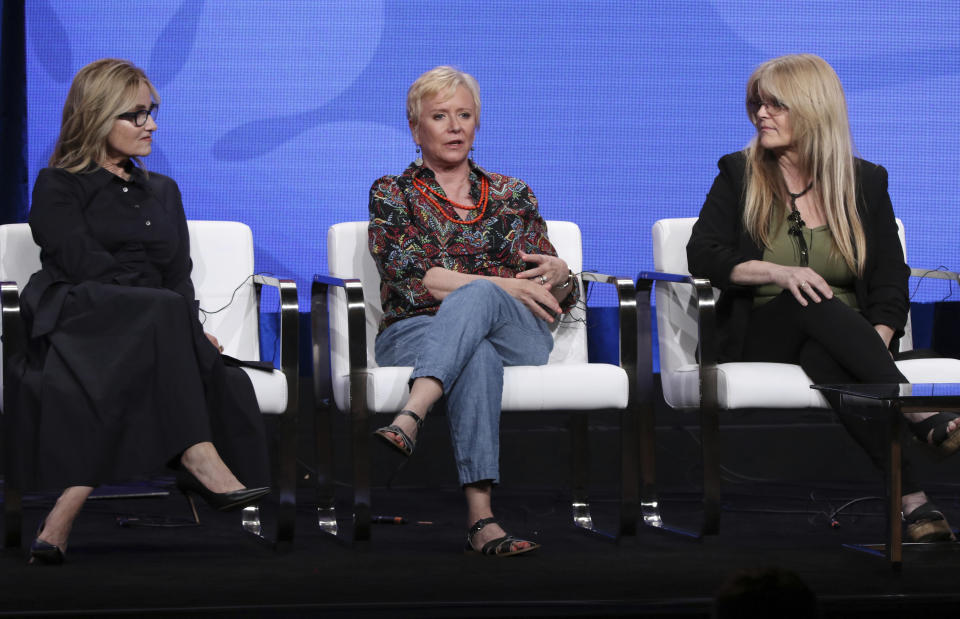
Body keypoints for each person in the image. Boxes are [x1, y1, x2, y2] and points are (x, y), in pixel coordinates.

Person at [687, 53, 959, 543]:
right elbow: (702, 254)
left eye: (776, 105)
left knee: (826, 355)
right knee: (805, 295)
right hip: (762, 332)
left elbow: (891, 278)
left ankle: (914, 503)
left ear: (814, 109)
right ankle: (917, 412)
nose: (761, 115)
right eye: (757, 104)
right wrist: (776, 270)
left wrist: (878, 338)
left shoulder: (865, 181)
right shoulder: (739, 172)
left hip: (845, 342)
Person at [13, 58, 270, 565]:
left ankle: (60, 519)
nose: (151, 124)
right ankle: (196, 454)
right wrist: (171, 319)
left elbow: (178, 272)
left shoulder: (164, 191)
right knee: (160, 314)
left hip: (150, 326)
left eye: (152, 112)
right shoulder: (57, 185)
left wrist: (184, 325)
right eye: (136, 114)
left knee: (162, 331)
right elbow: (84, 264)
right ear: (97, 115)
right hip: (80, 315)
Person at [367, 66, 579, 556]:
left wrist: (563, 273)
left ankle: (411, 414)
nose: (455, 126)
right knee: (476, 351)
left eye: (464, 115)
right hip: (414, 329)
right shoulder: (391, 194)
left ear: (477, 124)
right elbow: (414, 276)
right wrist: (501, 285)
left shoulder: (511, 194)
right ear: (415, 128)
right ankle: (482, 522)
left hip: (518, 336)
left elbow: (548, 291)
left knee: (480, 297)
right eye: (440, 116)